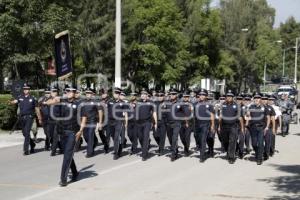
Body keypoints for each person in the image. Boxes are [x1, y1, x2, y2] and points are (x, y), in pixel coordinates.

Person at [44, 85, 87, 187]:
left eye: (71, 91)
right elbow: (47, 103)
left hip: (73, 132)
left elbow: (84, 117)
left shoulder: (79, 103)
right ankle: (75, 172)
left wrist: (81, 130)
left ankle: (63, 179)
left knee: (67, 155)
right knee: (67, 154)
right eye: (67, 91)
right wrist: (55, 99)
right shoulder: (61, 101)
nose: (69, 92)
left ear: (75, 92)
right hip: (62, 132)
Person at [10, 83, 42, 155]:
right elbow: (15, 101)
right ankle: (32, 144)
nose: (25, 90)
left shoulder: (33, 98)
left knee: (27, 133)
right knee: (25, 134)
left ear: (29, 90)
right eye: (24, 89)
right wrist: (11, 102)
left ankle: (26, 150)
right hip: (22, 117)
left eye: (27, 89)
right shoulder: (20, 96)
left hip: (29, 117)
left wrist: (39, 118)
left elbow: (37, 109)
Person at [219, 90, 243, 164]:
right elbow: (220, 116)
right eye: (228, 96)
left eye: (230, 96)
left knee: (232, 141)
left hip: (233, 126)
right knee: (225, 141)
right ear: (226, 97)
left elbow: (240, 118)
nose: (229, 97)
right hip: (224, 126)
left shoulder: (237, 105)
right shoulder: (223, 105)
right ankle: (228, 151)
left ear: (233, 97)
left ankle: (231, 157)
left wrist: (241, 128)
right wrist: (219, 127)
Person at [247, 92, 271, 165]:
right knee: (254, 144)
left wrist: (267, 127)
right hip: (253, 128)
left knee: (260, 143)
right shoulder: (251, 107)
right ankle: (258, 153)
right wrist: (247, 116)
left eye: (258, 98)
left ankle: (259, 159)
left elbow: (268, 117)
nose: (257, 99)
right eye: (255, 98)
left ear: (260, 99)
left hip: (261, 128)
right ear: (254, 99)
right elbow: (248, 116)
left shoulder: (264, 107)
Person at [194, 89, 215, 163]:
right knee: (199, 140)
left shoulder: (209, 105)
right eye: (200, 95)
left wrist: (212, 125)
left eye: (203, 95)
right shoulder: (196, 104)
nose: (201, 96)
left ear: (206, 96)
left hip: (206, 125)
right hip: (198, 125)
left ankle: (202, 156)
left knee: (203, 140)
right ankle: (210, 150)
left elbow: (212, 115)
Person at [136, 89, 157, 161]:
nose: (143, 95)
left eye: (144, 94)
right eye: (142, 94)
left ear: (147, 95)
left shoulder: (151, 102)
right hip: (139, 123)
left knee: (145, 137)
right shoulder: (137, 102)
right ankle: (145, 147)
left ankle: (144, 154)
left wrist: (155, 123)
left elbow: (154, 113)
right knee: (140, 137)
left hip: (147, 123)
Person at [165, 88, 186, 161]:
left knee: (174, 138)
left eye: (173, 94)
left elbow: (185, 113)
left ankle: (173, 154)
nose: (172, 95)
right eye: (171, 94)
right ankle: (175, 149)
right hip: (168, 123)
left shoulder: (180, 103)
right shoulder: (166, 103)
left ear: (176, 95)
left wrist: (185, 122)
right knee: (170, 139)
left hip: (177, 123)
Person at [82, 88, 99, 158]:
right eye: (86, 93)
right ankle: (95, 141)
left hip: (92, 121)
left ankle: (90, 152)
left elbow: (100, 111)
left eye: (89, 93)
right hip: (85, 121)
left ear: (92, 94)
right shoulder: (83, 101)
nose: (87, 94)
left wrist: (99, 121)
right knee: (85, 136)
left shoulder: (95, 101)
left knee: (90, 135)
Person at [179, 91, 193, 156]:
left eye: (187, 97)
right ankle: (185, 146)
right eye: (184, 97)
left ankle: (186, 150)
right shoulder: (180, 104)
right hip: (181, 123)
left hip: (189, 123)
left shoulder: (191, 104)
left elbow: (193, 113)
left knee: (187, 137)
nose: (186, 98)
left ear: (189, 97)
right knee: (182, 137)